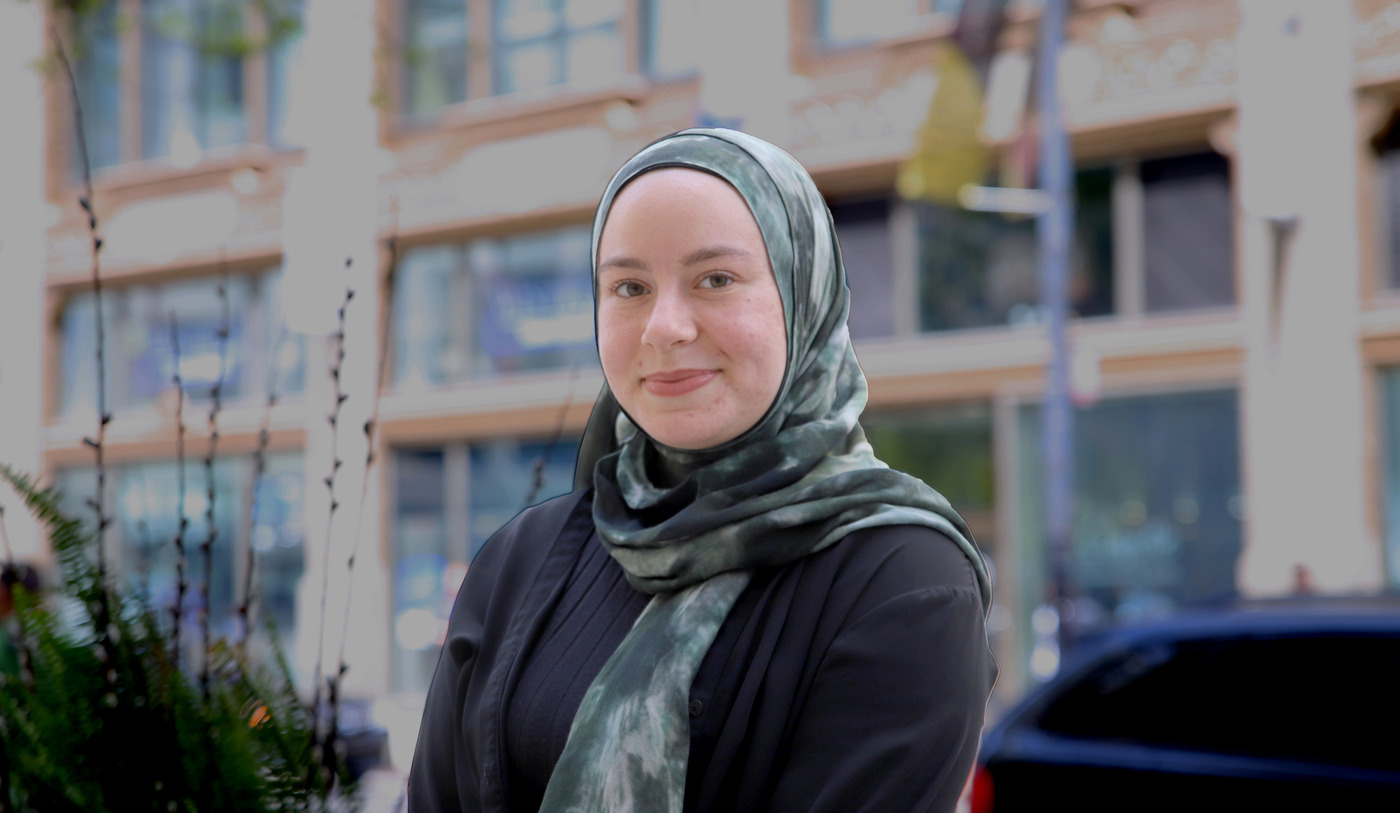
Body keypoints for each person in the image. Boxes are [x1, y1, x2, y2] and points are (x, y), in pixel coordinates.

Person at [408, 128, 997, 813]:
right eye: (629, 286)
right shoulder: (520, 560)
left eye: (715, 278)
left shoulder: (904, 581)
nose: (664, 326)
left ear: (804, 296)